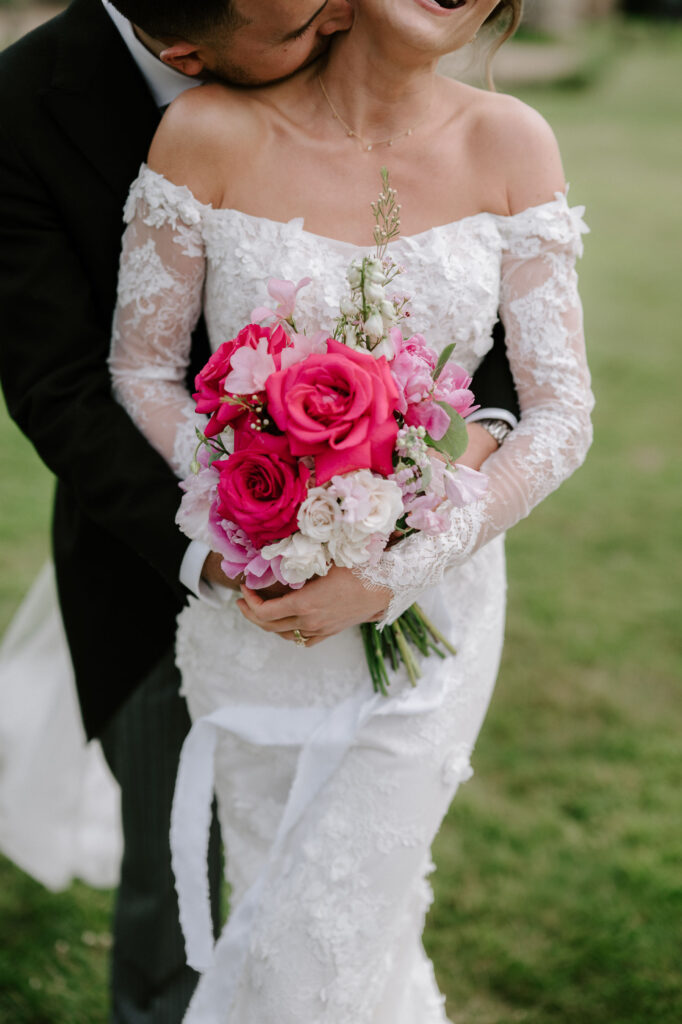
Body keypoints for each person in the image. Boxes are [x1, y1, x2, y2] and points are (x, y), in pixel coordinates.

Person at [0, 0, 519, 1020]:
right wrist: (234, 540)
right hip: (153, 556)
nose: (335, 23)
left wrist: (406, 500)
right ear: (186, 52)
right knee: (177, 882)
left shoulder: (334, 44)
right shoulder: (24, 110)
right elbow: (59, 384)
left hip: (398, 549)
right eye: (297, 30)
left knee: (343, 895)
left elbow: (461, 285)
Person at [107, 0, 594, 1019]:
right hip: (258, 615)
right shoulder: (207, 133)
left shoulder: (509, 140)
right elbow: (143, 369)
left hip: (434, 620)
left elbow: (560, 415)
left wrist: (389, 572)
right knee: (288, 909)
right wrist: (253, 503)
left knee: (323, 938)